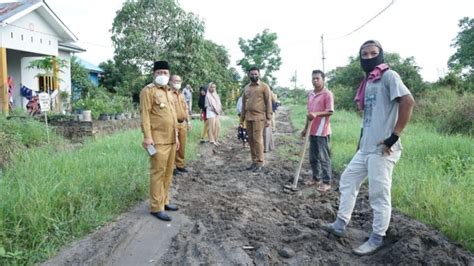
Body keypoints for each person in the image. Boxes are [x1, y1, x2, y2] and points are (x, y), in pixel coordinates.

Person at [321, 40, 415, 255]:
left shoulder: (389, 76)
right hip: (365, 149)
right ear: (360, 57)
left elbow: (408, 102)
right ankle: (340, 224)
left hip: (382, 150)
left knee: (378, 195)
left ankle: (376, 238)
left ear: (381, 55)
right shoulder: (369, 81)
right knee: (347, 180)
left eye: (374, 53)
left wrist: (393, 137)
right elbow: (368, 119)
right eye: (365, 54)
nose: (369, 56)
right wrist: (359, 145)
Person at [139, 60, 180, 222]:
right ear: (153, 74)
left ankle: (165, 200)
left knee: (168, 173)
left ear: (169, 75)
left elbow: (173, 116)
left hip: (170, 139)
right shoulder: (148, 91)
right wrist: (147, 137)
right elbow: (145, 116)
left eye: (165, 73)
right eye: (159, 73)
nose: (162, 75)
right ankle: (156, 207)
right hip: (157, 140)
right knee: (158, 173)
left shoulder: (169, 92)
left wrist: (176, 137)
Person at [301, 70, 334, 192]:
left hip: (322, 130)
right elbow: (309, 114)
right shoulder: (310, 94)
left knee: (324, 157)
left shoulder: (327, 94)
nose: (315, 81)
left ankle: (326, 182)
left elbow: (330, 111)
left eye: (317, 78)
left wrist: (316, 114)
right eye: (313, 78)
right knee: (313, 157)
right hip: (312, 129)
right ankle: (316, 178)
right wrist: (305, 129)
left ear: (323, 79)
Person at [240, 66, 273, 173]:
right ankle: (254, 161)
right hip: (248, 117)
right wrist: (241, 120)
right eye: (252, 74)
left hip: (259, 117)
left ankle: (260, 162)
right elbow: (243, 104)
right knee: (251, 140)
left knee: (258, 140)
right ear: (248, 75)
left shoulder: (264, 87)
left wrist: (269, 118)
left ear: (259, 74)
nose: (254, 75)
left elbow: (269, 103)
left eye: (256, 74)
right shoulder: (246, 88)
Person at [170, 74, 191, 174]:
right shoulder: (168, 94)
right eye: (175, 81)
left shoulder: (182, 95)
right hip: (173, 124)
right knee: (174, 145)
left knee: (182, 145)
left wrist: (188, 121)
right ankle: (172, 167)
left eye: (179, 81)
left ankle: (180, 165)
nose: (177, 83)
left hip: (182, 123)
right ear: (170, 82)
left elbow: (185, 109)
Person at [205, 82, 222, 146]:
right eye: (211, 87)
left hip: (217, 112)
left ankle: (216, 139)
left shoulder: (216, 95)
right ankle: (212, 140)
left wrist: (219, 110)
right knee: (212, 126)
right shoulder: (207, 95)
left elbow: (219, 104)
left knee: (218, 126)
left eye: (214, 87)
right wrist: (214, 110)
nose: (213, 88)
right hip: (211, 112)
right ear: (209, 87)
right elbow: (207, 106)